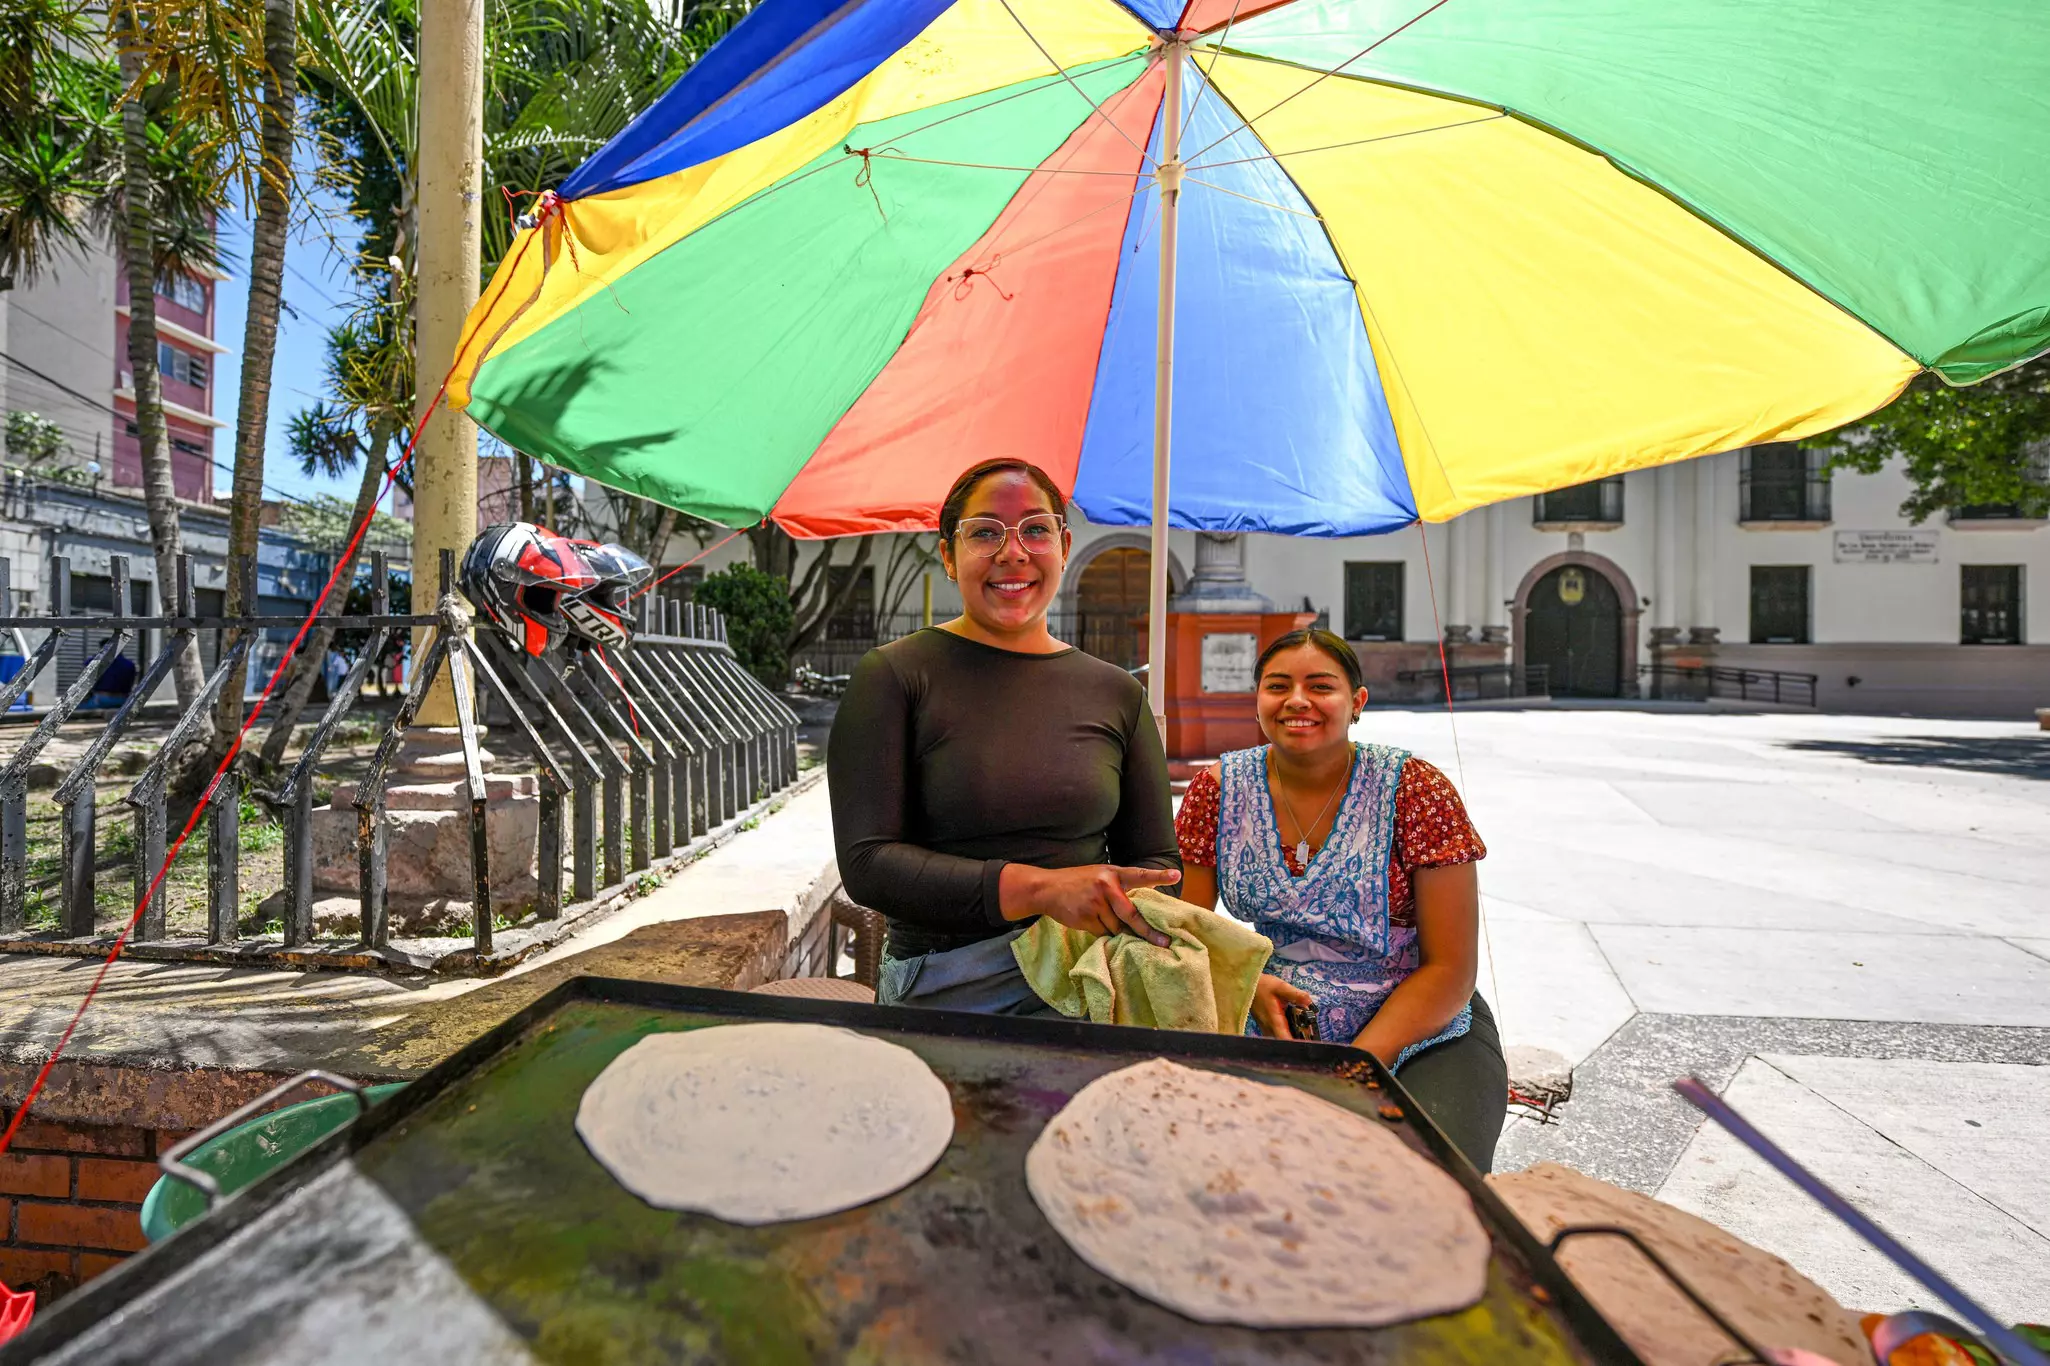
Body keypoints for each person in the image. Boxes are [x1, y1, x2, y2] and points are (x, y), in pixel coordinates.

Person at [829, 458, 1180, 1014]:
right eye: (985, 533)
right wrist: (1041, 889)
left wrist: (1228, 967)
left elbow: (1157, 869)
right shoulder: (895, 676)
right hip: (948, 986)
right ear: (948, 555)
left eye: (1035, 529)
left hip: (1096, 980)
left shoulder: (1117, 694)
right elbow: (868, 865)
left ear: (1063, 547)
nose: (1012, 552)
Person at [1174, 627, 1508, 1169]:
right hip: (1268, 1012)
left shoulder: (1415, 791)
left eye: (1320, 686)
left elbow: (1449, 967)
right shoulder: (1219, 791)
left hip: (1417, 1021)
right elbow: (1187, 928)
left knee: (1428, 1174)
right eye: (1278, 686)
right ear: (1257, 700)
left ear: (1357, 703)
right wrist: (1246, 982)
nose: (1297, 701)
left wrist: (1356, 1066)